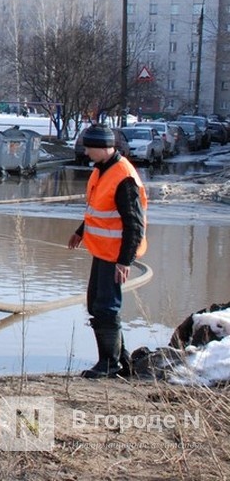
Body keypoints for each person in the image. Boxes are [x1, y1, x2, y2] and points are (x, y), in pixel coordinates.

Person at [68, 123, 148, 378]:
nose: (87, 152)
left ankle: (109, 365)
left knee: (106, 307)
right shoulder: (102, 170)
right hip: (103, 251)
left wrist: (124, 261)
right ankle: (120, 359)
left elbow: (134, 224)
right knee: (96, 304)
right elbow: (99, 211)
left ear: (103, 148)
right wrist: (81, 231)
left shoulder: (123, 177)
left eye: (90, 148)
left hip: (115, 255)